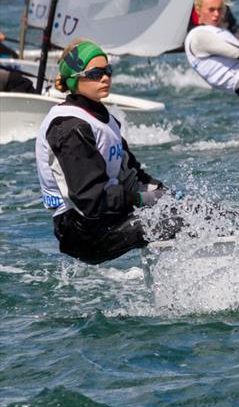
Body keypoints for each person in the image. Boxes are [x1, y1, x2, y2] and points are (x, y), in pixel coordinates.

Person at [35, 39, 179, 264]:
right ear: (74, 78)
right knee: (175, 219)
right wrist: (144, 200)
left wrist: (164, 193)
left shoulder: (106, 119)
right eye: (95, 74)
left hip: (104, 218)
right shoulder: (69, 127)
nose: (105, 78)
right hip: (81, 230)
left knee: (191, 210)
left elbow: (131, 174)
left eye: (108, 71)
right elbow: (91, 200)